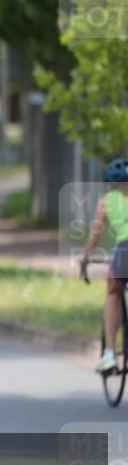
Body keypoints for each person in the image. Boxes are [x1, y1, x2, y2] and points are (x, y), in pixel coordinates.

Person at [80, 158, 128, 373]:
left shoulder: (107, 201)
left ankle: (109, 354)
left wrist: (85, 258)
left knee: (113, 291)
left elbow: (94, 236)